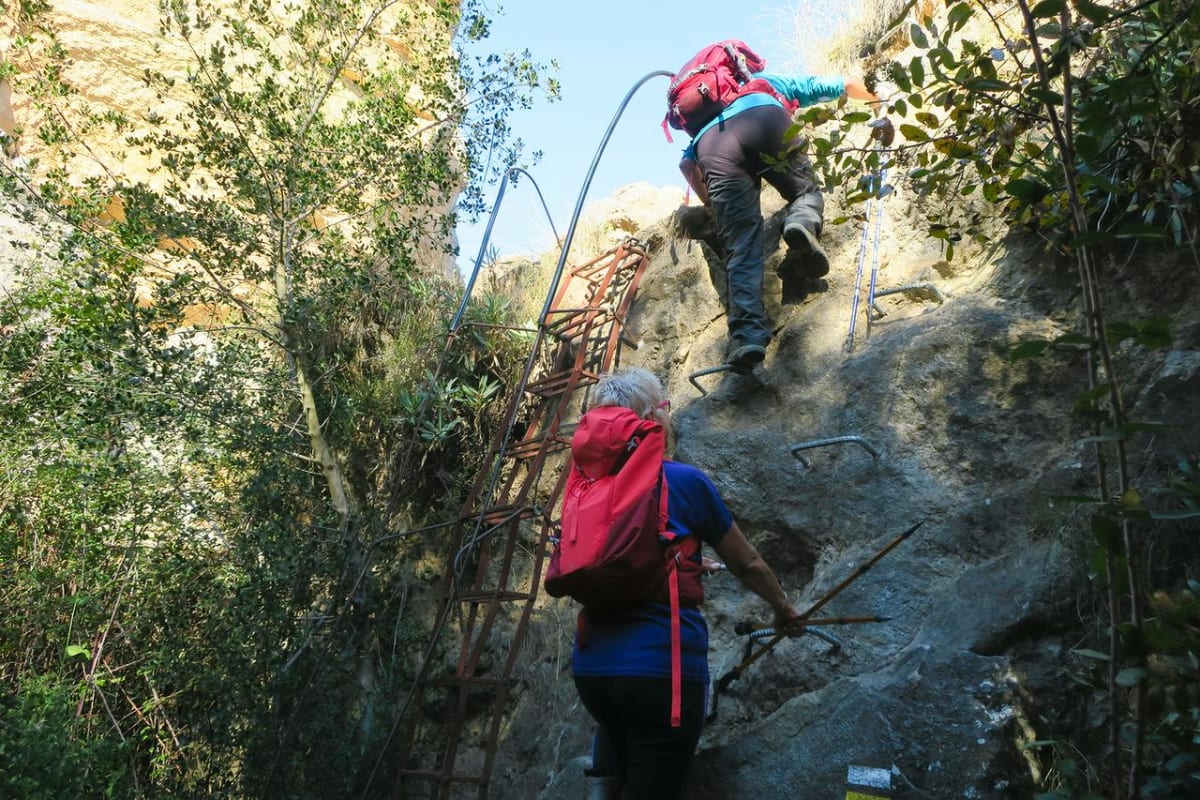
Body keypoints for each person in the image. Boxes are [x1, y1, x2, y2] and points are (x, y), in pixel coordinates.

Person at [571, 367, 804, 799]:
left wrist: (690, 564)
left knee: (615, 733)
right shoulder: (683, 481)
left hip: (593, 668)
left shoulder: (586, 489)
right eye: (664, 407)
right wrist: (783, 607)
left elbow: (617, 558)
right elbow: (748, 562)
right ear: (652, 419)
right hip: (661, 671)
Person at [678, 70, 894, 373]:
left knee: (741, 246)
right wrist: (878, 99)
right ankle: (801, 221)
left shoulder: (704, 123)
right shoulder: (764, 82)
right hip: (764, 117)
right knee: (804, 191)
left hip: (714, 146)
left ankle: (747, 338)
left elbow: (686, 164)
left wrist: (714, 203)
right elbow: (841, 84)